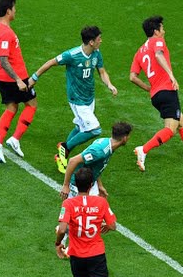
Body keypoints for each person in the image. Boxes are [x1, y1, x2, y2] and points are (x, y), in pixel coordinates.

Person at [129, 15, 183, 172]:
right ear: (156, 31)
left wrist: (149, 88)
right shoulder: (157, 41)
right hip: (167, 91)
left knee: (182, 122)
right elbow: (158, 54)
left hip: (156, 96)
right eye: (162, 28)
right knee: (170, 129)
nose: (164, 31)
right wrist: (171, 75)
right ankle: (143, 149)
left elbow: (132, 77)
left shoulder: (139, 52)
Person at [29, 26, 118, 174]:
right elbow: (51, 62)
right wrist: (34, 77)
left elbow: (102, 71)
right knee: (95, 129)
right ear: (91, 42)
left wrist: (109, 84)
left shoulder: (96, 53)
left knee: (80, 127)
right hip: (77, 99)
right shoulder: (72, 55)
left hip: (89, 97)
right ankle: (65, 147)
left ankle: (61, 156)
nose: (101, 41)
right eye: (99, 39)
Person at [55, 167, 116, 277]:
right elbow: (113, 225)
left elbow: (62, 229)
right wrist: (106, 226)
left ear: (76, 184)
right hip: (96, 254)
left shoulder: (68, 204)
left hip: (77, 255)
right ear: (91, 185)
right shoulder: (101, 202)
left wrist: (58, 244)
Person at [0, 0, 37, 163]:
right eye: (14, 8)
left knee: (11, 107)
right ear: (8, 11)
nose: (15, 11)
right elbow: (3, 59)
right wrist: (18, 80)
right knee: (31, 104)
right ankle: (14, 139)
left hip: (0, 77)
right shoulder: (6, 33)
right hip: (16, 77)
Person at [60, 122, 132, 200]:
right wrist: (66, 185)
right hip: (79, 185)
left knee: (97, 206)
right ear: (124, 138)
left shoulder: (106, 143)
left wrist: (99, 185)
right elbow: (73, 161)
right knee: (78, 207)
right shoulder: (99, 151)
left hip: (91, 183)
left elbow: (95, 165)